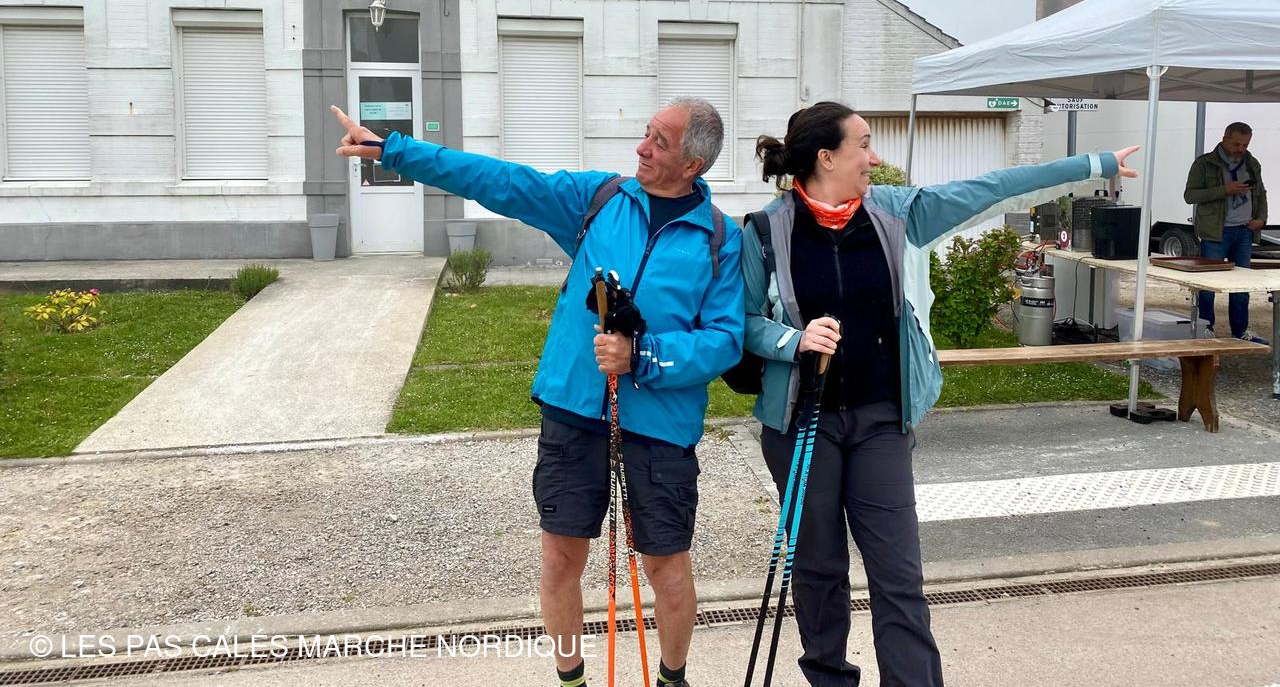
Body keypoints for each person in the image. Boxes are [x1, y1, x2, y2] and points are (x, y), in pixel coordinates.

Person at [332, 99, 743, 687]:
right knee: (560, 558)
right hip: (575, 408)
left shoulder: (720, 238)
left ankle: (672, 679)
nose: (642, 148)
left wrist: (643, 356)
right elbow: (501, 181)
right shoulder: (599, 198)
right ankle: (571, 678)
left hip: (660, 423)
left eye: (659, 142)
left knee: (667, 566)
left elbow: (725, 340)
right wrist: (395, 150)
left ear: (693, 164)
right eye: (645, 133)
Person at [741, 101, 1138, 687]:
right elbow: (743, 321)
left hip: (881, 419)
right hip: (802, 423)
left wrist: (1091, 164)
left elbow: (992, 189)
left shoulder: (898, 213)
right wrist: (791, 339)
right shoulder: (765, 231)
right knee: (818, 571)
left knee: (898, 575)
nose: (875, 157)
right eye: (864, 145)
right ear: (826, 157)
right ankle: (829, 678)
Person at [1185, 122, 1269, 342]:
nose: (1240, 149)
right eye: (1236, 144)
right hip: (1215, 232)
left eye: (1245, 144)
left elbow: (1261, 192)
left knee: (1241, 285)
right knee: (1207, 285)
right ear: (1224, 139)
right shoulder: (1205, 163)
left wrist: (1261, 218)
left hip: (1244, 231)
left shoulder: (1251, 163)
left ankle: (1240, 332)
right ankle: (1205, 328)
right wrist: (1224, 190)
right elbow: (1190, 195)